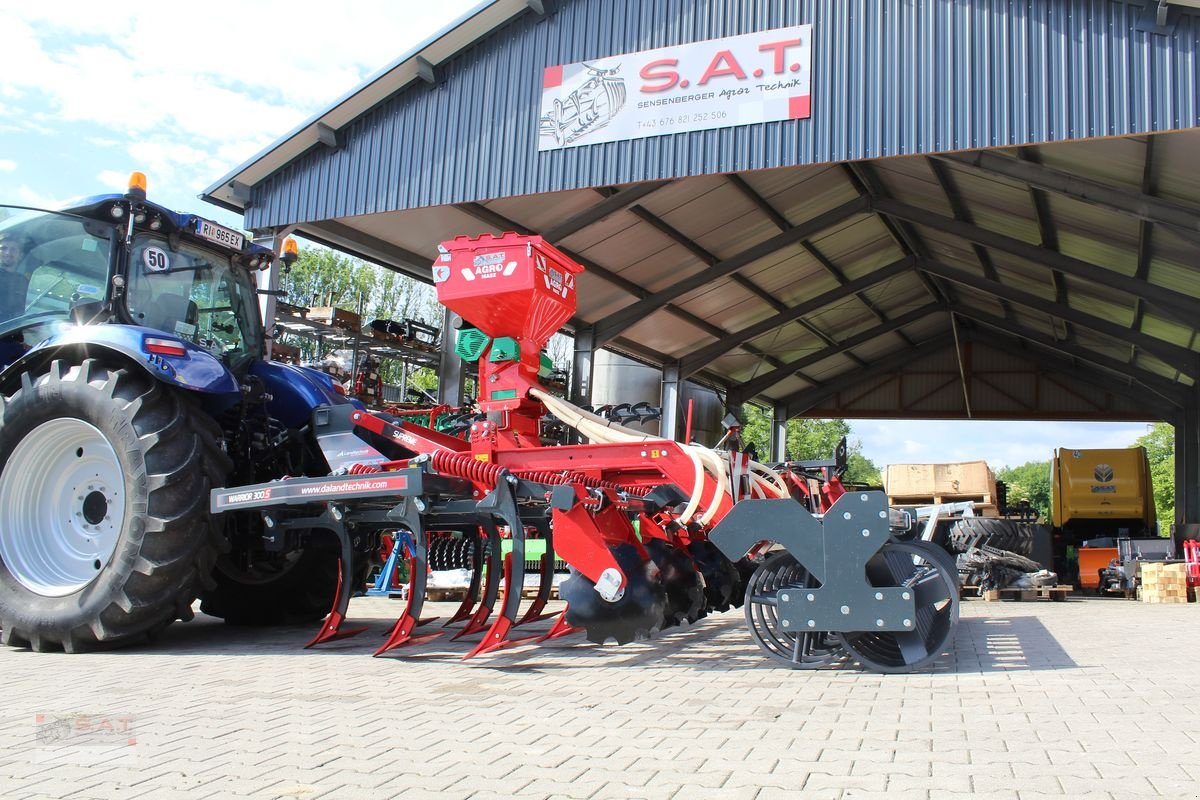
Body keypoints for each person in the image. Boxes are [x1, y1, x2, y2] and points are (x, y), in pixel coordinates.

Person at [0, 233, 31, 324]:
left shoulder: (23, 282)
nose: (8, 253)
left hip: (11, 331)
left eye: (13, 250)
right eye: (3, 248)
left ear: (20, 255)